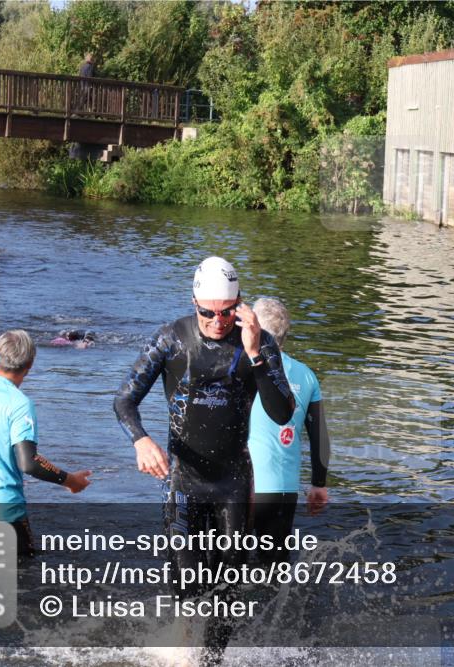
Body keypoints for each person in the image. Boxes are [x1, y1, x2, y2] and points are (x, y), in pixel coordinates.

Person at [113, 256, 294, 658]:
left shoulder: (258, 341)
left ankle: (212, 660)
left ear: (240, 304)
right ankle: (181, 650)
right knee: (187, 581)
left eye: (227, 312)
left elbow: (283, 411)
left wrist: (254, 355)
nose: (217, 321)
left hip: (232, 480)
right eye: (207, 313)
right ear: (193, 303)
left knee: (229, 581)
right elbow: (124, 400)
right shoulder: (171, 338)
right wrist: (141, 440)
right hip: (184, 479)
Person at [0, 330, 92, 558]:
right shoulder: (20, 404)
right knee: (24, 584)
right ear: (30, 364)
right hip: (4, 514)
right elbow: (29, 463)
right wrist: (70, 480)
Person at [247, 298, 330, 565]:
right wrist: (318, 484)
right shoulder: (306, 375)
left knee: (227, 568)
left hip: (245, 487)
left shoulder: (244, 367)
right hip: (285, 491)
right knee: (274, 568)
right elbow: (319, 436)